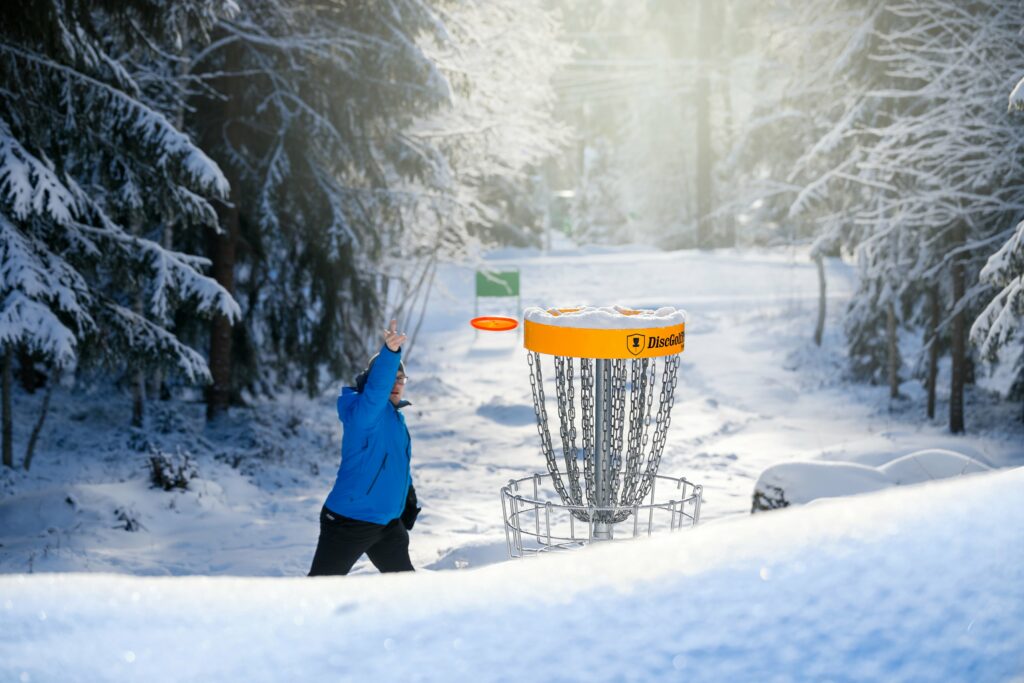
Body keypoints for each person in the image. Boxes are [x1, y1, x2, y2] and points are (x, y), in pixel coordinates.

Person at [308, 319, 421, 576]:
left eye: (401, 378)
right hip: (351, 520)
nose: (396, 383)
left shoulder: (395, 418)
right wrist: (390, 354)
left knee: (407, 585)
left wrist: (407, 495)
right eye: (391, 376)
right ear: (374, 382)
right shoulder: (365, 414)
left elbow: (393, 463)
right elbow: (377, 390)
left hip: (386, 523)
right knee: (319, 587)